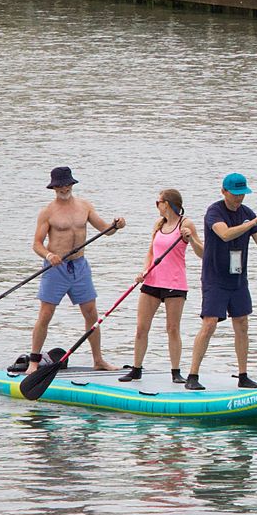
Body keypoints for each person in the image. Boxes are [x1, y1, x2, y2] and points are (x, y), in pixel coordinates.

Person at [185, 172, 257, 392]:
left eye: (242, 194)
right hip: (215, 277)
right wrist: (251, 223)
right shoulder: (214, 211)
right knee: (209, 323)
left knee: (242, 323)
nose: (239, 198)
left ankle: (243, 376)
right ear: (223, 191)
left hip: (238, 278)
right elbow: (224, 234)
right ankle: (192, 375)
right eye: (235, 194)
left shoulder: (247, 213)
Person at [20, 165, 125, 376]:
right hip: (55, 269)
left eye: (67, 184)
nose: (64, 188)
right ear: (53, 187)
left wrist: (116, 225)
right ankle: (34, 361)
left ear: (72, 184)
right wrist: (49, 255)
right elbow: (37, 244)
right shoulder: (47, 212)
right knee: (46, 313)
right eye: (59, 185)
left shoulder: (84, 206)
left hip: (80, 267)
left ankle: (98, 360)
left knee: (91, 313)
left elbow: (106, 230)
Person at [120, 189, 203, 385]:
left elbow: (202, 253)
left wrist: (190, 239)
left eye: (158, 202)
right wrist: (144, 271)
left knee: (172, 328)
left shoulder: (186, 224)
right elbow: (150, 252)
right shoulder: (159, 225)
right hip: (152, 281)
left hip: (175, 284)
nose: (156, 206)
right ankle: (136, 369)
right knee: (141, 328)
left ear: (168, 204)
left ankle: (175, 372)